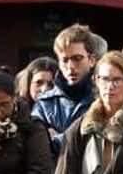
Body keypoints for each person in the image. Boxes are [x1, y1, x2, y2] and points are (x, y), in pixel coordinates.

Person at [32, 23, 100, 157]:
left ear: (91, 60)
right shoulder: (45, 104)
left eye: (77, 58)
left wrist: (56, 139)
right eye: (65, 60)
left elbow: (96, 146)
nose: (71, 66)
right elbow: (37, 147)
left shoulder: (104, 99)